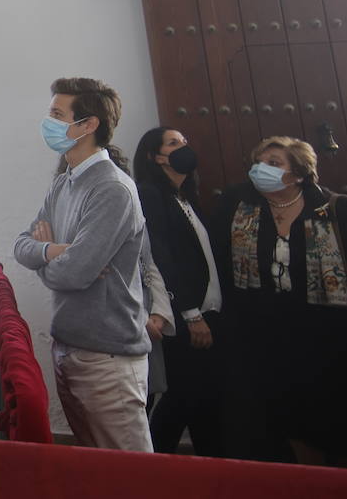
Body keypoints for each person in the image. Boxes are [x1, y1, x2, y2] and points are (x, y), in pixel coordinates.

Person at [210, 136, 347, 466]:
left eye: (273, 163)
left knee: (334, 422)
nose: (260, 169)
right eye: (258, 161)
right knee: (277, 422)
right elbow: (219, 262)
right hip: (262, 339)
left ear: (297, 174)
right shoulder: (237, 205)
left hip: (326, 338)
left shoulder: (340, 209)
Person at [13, 77, 152, 451]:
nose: (49, 122)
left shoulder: (111, 189)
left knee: (133, 479)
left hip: (107, 356)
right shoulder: (64, 182)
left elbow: (75, 275)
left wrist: (52, 258)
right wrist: (55, 251)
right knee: (95, 471)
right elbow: (21, 246)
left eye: (58, 114)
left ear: (89, 125)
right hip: (70, 346)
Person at [133, 126, 223, 455]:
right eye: (173, 143)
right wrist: (190, 312)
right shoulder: (151, 194)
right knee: (181, 398)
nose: (183, 147)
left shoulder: (186, 198)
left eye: (184, 141)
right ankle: (151, 470)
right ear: (155, 157)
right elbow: (161, 256)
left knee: (203, 400)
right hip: (184, 315)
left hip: (207, 311)